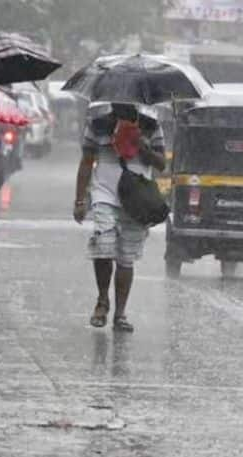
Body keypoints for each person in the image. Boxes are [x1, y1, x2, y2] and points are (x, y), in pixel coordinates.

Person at [73, 103, 165, 333]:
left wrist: (143, 147)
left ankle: (120, 314)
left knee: (126, 257)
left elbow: (162, 164)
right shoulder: (98, 125)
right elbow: (86, 161)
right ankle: (103, 300)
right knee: (103, 245)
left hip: (136, 198)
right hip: (104, 194)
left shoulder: (151, 127)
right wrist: (80, 200)